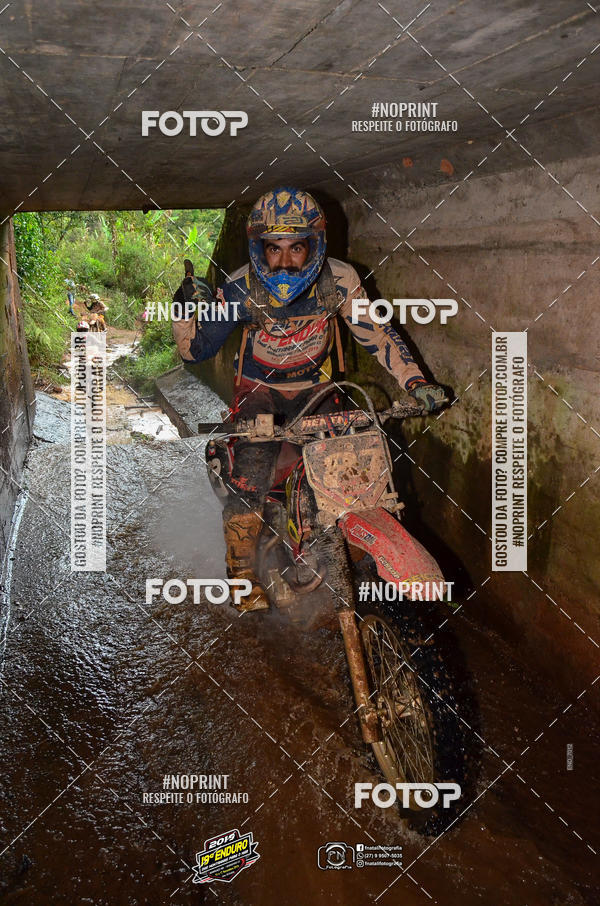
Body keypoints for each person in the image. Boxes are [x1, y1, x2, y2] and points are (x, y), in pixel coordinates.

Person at [172, 187, 447, 612]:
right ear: (258, 248)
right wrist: (185, 312)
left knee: (359, 459)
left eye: (296, 247)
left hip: (318, 390)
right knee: (253, 465)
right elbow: (196, 351)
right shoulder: (240, 289)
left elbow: (375, 332)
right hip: (259, 394)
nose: (284, 262)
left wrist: (416, 383)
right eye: (273, 248)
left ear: (315, 245)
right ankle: (241, 571)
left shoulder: (339, 280)